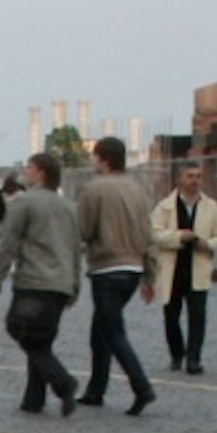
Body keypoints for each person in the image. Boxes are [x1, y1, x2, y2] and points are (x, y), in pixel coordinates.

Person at [0, 153, 81, 416]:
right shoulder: (70, 207)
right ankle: (34, 398)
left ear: (40, 172)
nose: (25, 173)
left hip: (34, 281)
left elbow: (9, 241)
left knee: (20, 329)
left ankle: (63, 381)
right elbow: (75, 248)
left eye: (29, 168)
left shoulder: (24, 202)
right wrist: (75, 284)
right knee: (42, 339)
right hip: (61, 283)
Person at [75, 137, 158, 414]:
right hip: (133, 268)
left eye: (94, 156)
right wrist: (150, 274)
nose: (92, 161)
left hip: (106, 267)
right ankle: (96, 389)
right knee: (100, 330)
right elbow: (149, 234)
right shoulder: (139, 189)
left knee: (113, 331)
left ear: (104, 159)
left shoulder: (94, 189)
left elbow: (84, 230)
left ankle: (142, 387)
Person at [149, 162, 217, 376]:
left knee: (197, 317)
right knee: (171, 317)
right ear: (180, 179)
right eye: (190, 176)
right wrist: (178, 237)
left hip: (198, 268)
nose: (195, 181)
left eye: (198, 176)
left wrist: (208, 244)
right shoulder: (164, 207)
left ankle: (194, 359)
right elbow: (154, 235)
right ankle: (177, 353)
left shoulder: (211, 207)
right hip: (172, 270)